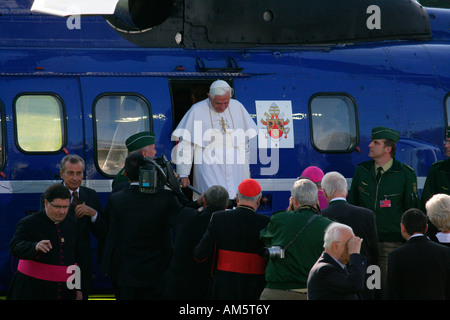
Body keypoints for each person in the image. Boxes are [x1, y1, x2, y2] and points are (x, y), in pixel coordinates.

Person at [100, 152, 182, 299]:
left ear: (125, 173)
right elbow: (183, 219)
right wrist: (175, 186)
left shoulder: (116, 199)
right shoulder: (166, 198)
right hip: (158, 272)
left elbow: (110, 233)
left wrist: (108, 264)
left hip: (127, 273)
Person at [348, 126, 419, 294]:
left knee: (387, 288)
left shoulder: (405, 174)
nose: (370, 145)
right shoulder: (362, 171)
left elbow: (412, 210)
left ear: (388, 148)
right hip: (364, 243)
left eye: (376, 143)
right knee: (365, 288)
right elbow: (353, 205)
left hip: (391, 243)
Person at [171, 80, 258, 198]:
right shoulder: (197, 110)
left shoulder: (237, 107)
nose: (222, 107)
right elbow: (186, 144)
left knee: (234, 199)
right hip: (209, 167)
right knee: (213, 199)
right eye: (218, 103)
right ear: (209, 97)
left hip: (235, 167)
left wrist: (246, 168)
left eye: (226, 103)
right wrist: (183, 173)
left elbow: (244, 143)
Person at [8, 183, 91, 300]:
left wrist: (78, 287)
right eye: (57, 206)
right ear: (46, 203)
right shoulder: (29, 223)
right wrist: (35, 247)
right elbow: (14, 246)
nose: (62, 212)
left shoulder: (73, 224)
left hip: (64, 290)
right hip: (32, 288)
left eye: (66, 207)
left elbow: (79, 258)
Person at [40, 154, 106, 297]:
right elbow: (45, 227)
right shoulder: (50, 194)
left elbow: (102, 232)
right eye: (71, 173)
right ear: (62, 174)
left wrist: (93, 213)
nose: (75, 178)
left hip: (83, 263)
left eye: (79, 173)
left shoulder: (90, 195)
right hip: (59, 261)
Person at [194, 179, 270, 299]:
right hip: (255, 286)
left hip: (224, 285)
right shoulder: (267, 222)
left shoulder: (219, 218)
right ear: (259, 199)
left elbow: (200, 254)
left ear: (237, 198)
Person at [259, 179, 333, 300]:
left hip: (277, 292)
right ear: (317, 201)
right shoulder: (329, 226)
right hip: (311, 292)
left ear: (294, 201)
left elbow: (265, 238)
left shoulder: (279, 219)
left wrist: (291, 209)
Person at [164, 185, 229, 300]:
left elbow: (183, 209)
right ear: (226, 206)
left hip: (177, 284)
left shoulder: (186, 216)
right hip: (205, 288)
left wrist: (197, 203)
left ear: (204, 200)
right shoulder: (224, 226)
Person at [321, 171, 379, 299]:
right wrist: (375, 286)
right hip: (363, 280)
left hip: (333, 282)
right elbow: (374, 252)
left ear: (324, 192)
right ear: (346, 190)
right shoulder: (367, 215)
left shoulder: (320, 217)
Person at [386, 208, 450, 300]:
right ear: (426, 228)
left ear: (402, 227)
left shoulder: (396, 256)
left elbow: (392, 292)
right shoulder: (445, 252)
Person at [307, 222, 366, 300]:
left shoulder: (340, 266)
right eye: (349, 243)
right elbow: (355, 284)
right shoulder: (324, 270)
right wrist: (354, 255)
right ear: (334, 247)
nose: (353, 247)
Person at [421, 129, 450, 238]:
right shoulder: (437, 170)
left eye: (449, 142)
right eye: (446, 142)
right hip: (439, 235)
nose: (446, 146)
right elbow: (426, 206)